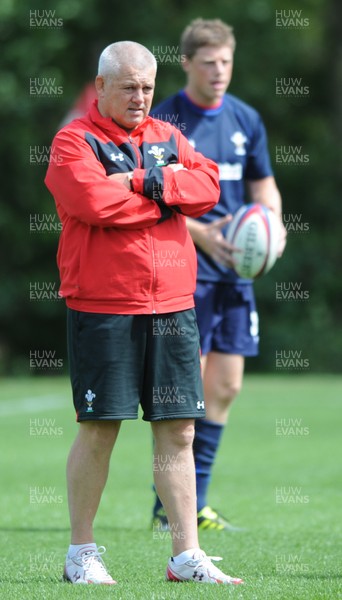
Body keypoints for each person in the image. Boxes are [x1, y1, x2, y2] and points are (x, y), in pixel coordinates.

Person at [45, 40, 243, 585]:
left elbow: (206, 187)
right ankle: (81, 554)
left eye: (148, 87)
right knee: (101, 426)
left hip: (173, 304)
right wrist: (165, 200)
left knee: (179, 430)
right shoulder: (72, 141)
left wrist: (142, 182)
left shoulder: (167, 136)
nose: (139, 97)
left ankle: (185, 556)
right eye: (128, 86)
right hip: (102, 304)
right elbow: (91, 204)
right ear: (102, 86)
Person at [151, 18, 287, 531]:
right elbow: (157, 196)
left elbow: (264, 185)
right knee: (185, 392)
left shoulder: (246, 118)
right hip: (184, 270)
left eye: (226, 61)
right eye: (208, 62)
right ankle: (176, 505)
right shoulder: (166, 121)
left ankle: (185, 500)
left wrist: (272, 222)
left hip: (237, 273)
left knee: (225, 386)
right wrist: (203, 234)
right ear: (186, 63)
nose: (219, 71)